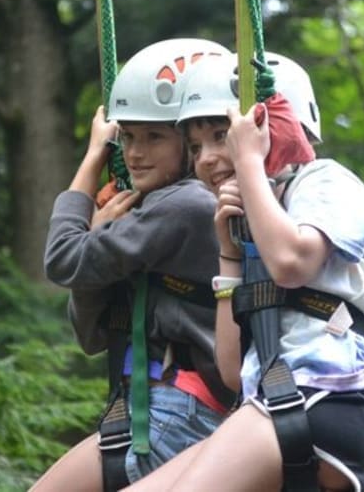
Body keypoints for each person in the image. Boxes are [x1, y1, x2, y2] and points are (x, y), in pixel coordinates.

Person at [125, 53, 364, 492]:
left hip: (328, 394)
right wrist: (230, 254)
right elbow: (232, 370)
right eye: (196, 147)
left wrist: (250, 165)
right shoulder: (253, 229)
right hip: (274, 402)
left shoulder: (326, 182)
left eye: (222, 136)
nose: (206, 159)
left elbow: (293, 263)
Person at [29, 38, 235, 492]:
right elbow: (92, 335)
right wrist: (98, 237)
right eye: (126, 137)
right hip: (160, 408)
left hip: (178, 411)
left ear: (189, 142)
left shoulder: (186, 205)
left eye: (154, 137)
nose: (136, 153)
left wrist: (92, 159)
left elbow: (60, 260)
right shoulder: (152, 212)